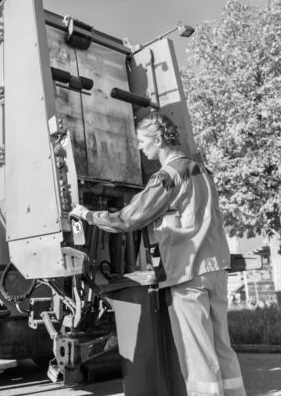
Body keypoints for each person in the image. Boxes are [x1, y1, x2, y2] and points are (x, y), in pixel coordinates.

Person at [69, 112, 246, 396]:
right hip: (216, 268)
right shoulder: (202, 171)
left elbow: (129, 218)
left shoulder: (167, 176)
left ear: (159, 139)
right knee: (221, 347)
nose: (140, 147)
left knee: (197, 354)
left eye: (142, 140)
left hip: (188, 273)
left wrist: (88, 215)